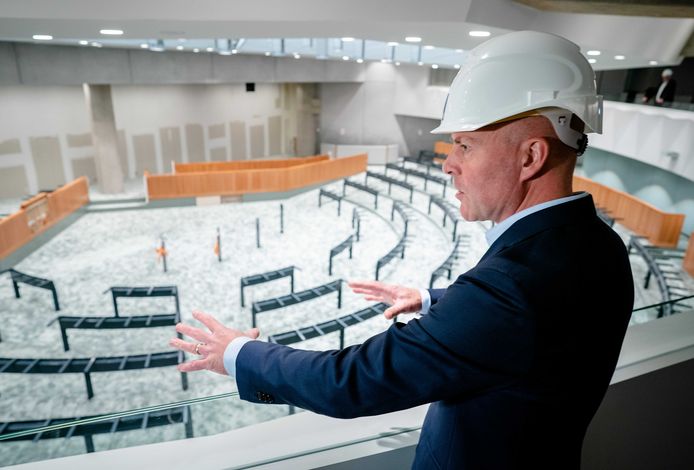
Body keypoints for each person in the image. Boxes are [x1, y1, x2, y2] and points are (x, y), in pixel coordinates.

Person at [170, 30, 634, 469]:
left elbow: (351, 383)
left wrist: (238, 354)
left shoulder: (511, 291)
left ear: (530, 157)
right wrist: (433, 299)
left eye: (464, 145)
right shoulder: (597, 245)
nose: (447, 164)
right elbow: (527, 319)